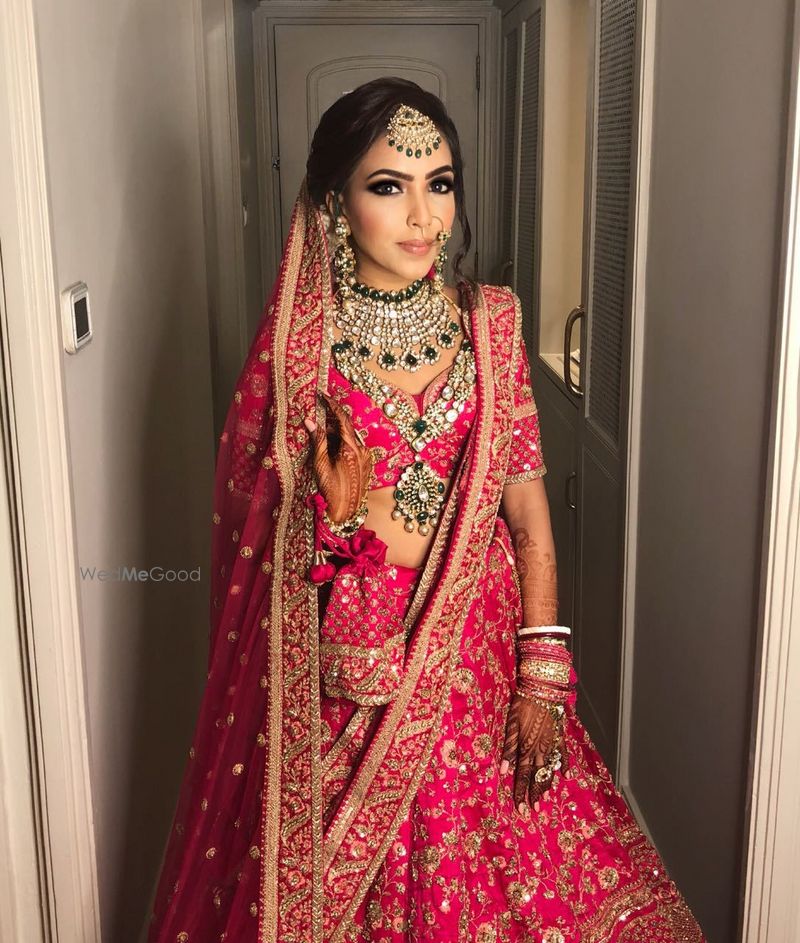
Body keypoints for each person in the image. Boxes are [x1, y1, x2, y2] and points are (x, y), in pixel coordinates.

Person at [147, 77, 706, 943]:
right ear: (336, 204)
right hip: (345, 671)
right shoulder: (305, 351)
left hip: (474, 655)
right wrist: (328, 520)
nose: (421, 216)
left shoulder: (493, 324)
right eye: (387, 186)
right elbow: (260, 546)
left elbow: (526, 511)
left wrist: (542, 674)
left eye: (439, 183)